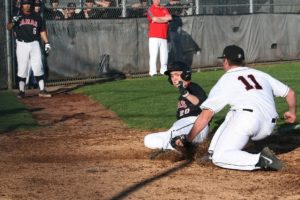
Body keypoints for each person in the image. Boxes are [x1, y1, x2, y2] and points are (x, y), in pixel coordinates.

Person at [177, 45, 297, 171]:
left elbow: (206, 115)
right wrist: (292, 113)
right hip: (269, 125)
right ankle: (211, 153)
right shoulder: (260, 74)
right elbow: (290, 93)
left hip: (248, 121)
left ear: (226, 61)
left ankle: (261, 159)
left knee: (221, 157)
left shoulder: (226, 79)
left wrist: (188, 138)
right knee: (232, 113)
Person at [144, 61, 209, 154]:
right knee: (148, 139)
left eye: (176, 74)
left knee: (172, 135)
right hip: (184, 129)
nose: (174, 78)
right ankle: (182, 148)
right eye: (172, 76)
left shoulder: (192, 87)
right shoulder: (182, 95)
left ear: (185, 75)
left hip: (195, 125)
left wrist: (186, 94)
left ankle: (175, 148)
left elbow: (202, 103)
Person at [7, 0, 52, 98]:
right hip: (21, 44)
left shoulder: (37, 17)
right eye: (25, 4)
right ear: (22, 5)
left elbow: (42, 31)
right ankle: (21, 91)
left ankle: (42, 90)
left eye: (28, 4)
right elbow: (8, 27)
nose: (27, 6)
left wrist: (47, 43)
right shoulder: (17, 14)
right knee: (22, 68)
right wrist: (14, 22)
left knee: (38, 66)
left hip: (35, 43)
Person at [147, 0, 172, 76]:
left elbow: (170, 18)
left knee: (164, 56)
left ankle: (163, 71)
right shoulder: (150, 9)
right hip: (154, 36)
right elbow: (154, 19)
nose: (158, 0)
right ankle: (153, 72)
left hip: (163, 36)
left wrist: (159, 19)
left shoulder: (164, 8)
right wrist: (164, 19)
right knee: (153, 55)